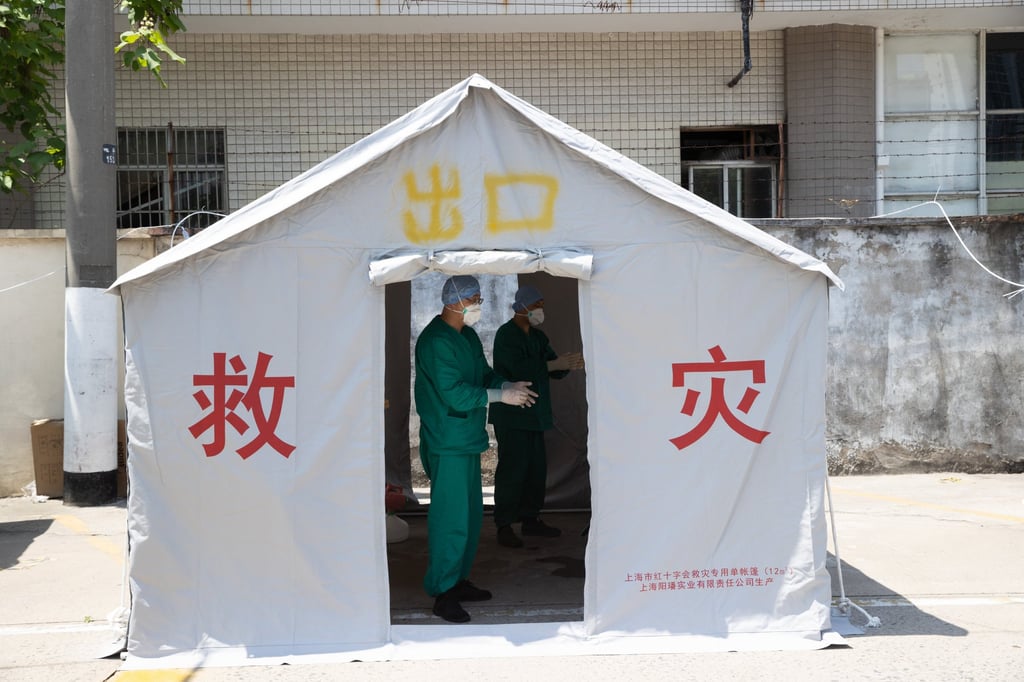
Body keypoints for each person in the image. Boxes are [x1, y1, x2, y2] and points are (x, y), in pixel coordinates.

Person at [414, 274, 537, 623]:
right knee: (450, 519)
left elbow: (482, 375)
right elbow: (453, 392)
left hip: (466, 437)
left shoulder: (466, 336)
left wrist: (505, 385)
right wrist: (500, 397)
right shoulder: (436, 341)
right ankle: (442, 591)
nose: (479, 304)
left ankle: (458, 580)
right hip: (447, 439)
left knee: (469, 515)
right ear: (455, 301)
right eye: (476, 298)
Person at [488, 285, 584, 549]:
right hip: (512, 414)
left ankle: (530, 518)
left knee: (535, 469)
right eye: (538, 304)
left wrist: (566, 363)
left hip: (535, 414)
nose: (541, 310)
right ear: (524, 306)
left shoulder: (538, 337)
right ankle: (504, 524)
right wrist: (552, 365)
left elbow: (553, 366)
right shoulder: (506, 335)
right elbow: (516, 369)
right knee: (512, 469)